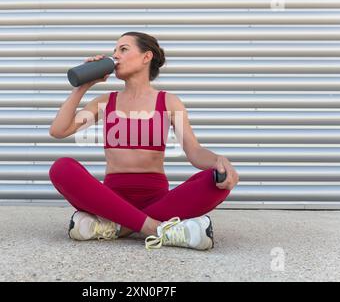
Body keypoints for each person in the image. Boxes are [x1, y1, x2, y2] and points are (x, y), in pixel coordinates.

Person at [49, 31, 239, 251]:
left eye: (123, 49)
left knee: (218, 180)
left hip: (157, 201)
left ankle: (117, 226)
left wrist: (219, 161)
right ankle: (157, 229)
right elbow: (58, 130)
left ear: (146, 57)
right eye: (114, 50)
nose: (115, 55)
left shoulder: (168, 102)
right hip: (110, 199)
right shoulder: (105, 101)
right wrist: (83, 87)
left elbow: (194, 152)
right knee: (61, 168)